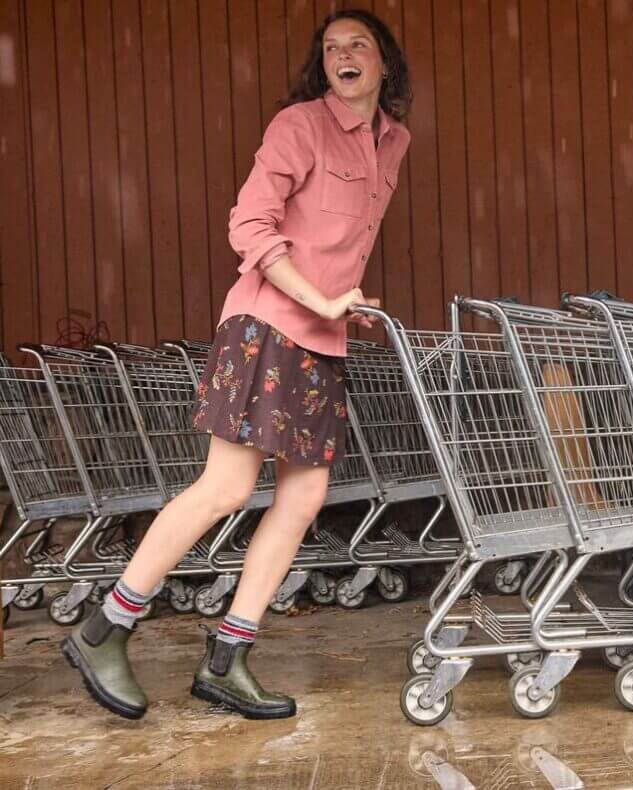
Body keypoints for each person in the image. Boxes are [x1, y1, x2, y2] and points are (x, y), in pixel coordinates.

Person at [62, 8, 412, 721]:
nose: (343, 56)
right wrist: (319, 296)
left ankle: (227, 659)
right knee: (225, 487)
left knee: (305, 499)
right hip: (267, 324)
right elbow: (250, 224)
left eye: (359, 46)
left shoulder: (393, 141)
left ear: (385, 64)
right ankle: (105, 627)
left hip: (321, 339)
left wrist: (337, 307)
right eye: (331, 48)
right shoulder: (298, 126)